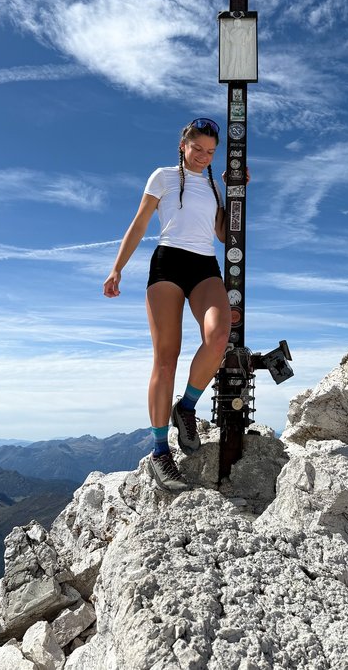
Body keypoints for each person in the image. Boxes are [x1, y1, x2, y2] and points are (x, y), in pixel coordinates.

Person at [103, 118, 231, 493]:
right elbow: (139, 224)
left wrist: (236, 192)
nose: (205, 157)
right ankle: (161, 451)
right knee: (166, 357)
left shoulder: (211, 183)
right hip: (168, 264)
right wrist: (116, 269)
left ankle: (186, 407)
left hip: (205, 265)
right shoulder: (161, 177)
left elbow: (224, 234)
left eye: (211, 152)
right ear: (183, 145)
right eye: (198, 149)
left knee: (218, 336)